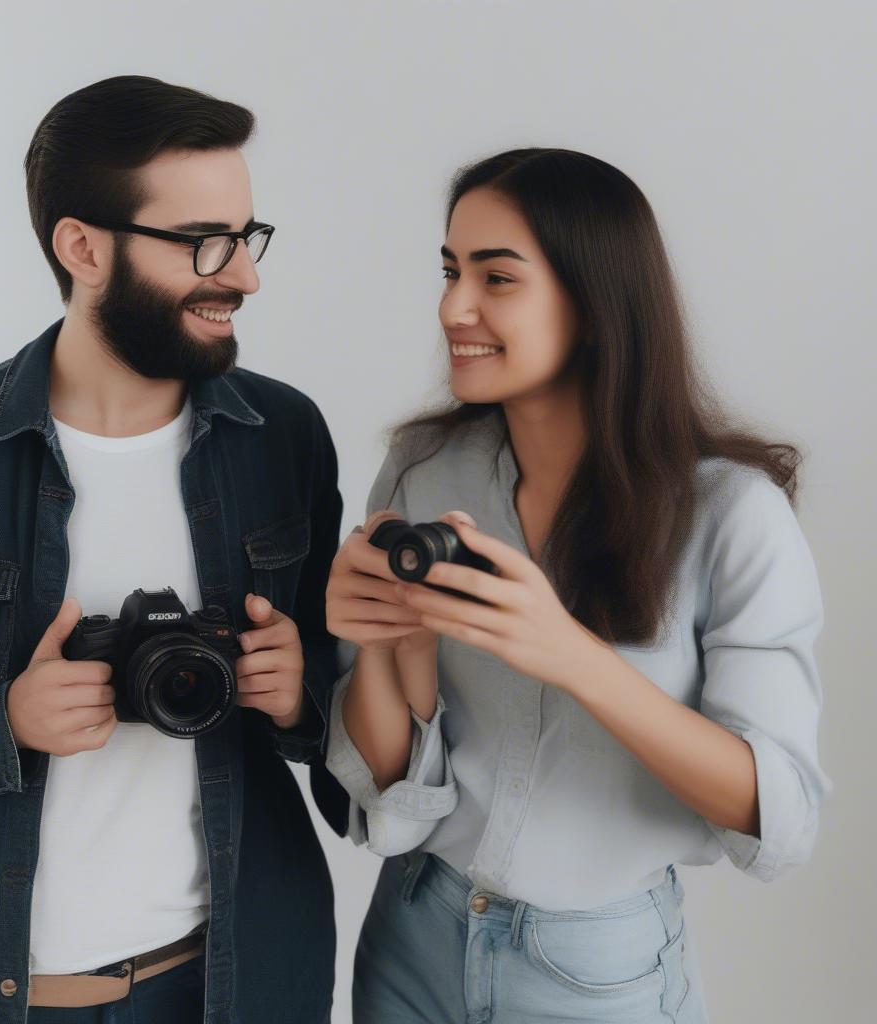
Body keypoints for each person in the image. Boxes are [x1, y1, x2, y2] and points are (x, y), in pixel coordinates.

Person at [0, 75, 345, 1024]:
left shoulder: (283, 436)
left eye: (248, 237)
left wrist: (302, 694)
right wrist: (4, 720)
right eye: (205, 242)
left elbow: (364, 718)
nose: (244, 275)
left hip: (232, 985)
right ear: (81, 246)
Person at [324, 147, 831, 1023]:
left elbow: (778, 821)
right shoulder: (425, 470)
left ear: (593, 306)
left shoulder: (732, 516)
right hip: (412, 936)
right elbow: (394, 811)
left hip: (598, 974)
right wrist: (378, 646)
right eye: (449, 271)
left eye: (497, 277)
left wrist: (572, 657)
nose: (454, 307)